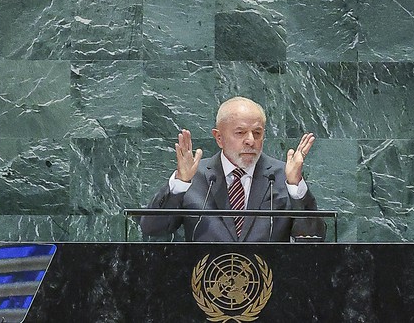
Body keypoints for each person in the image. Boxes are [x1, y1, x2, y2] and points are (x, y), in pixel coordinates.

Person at [139, 96, 326, 243]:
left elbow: (313, 238)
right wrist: (180, 184)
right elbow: (152, 229)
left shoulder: (283, 176)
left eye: (257, 133)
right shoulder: (195, 177)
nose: (250, 140)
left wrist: (296, 187)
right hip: (205, 284)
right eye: (240, 132)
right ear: (219, 137)